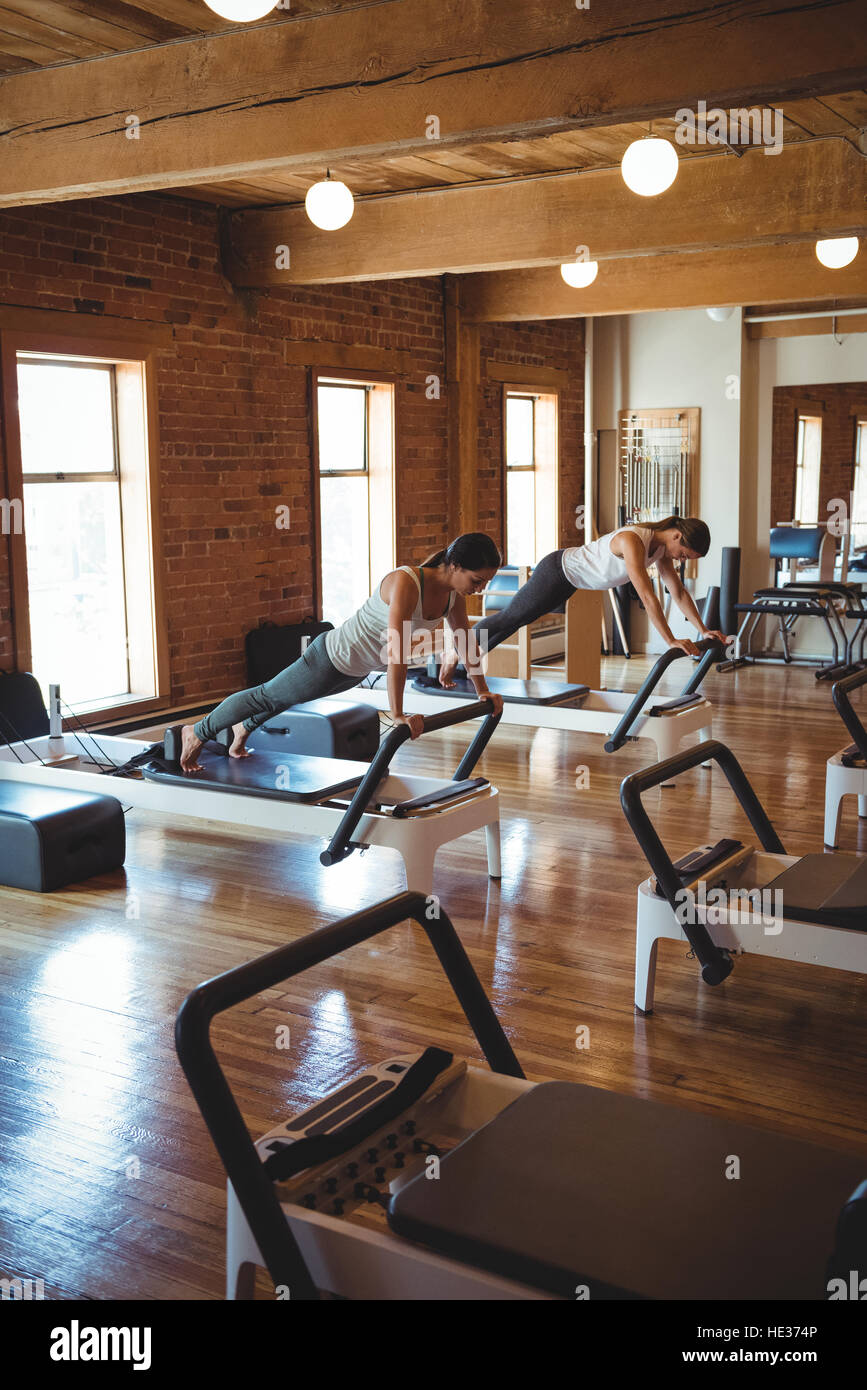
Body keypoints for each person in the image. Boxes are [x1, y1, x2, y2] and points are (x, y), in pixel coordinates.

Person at [180, 532, 505, 773]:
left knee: (287, 697)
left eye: (485, 583)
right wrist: (398, 714)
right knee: (266, 695)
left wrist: (483, 691)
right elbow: (397, 652)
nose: (480, 589)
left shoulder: (452, 597)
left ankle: (243, 728)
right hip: (329, 658)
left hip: (355, 670)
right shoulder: (407, 582)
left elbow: (465, 642)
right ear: (455, 565)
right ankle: (196, 732)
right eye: (477, 580)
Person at [439, 516, 727, 687]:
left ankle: (465, 663)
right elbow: (647, 595)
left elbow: (678, 592)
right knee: (510, 617)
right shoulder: (633, 540)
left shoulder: (661, 550)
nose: (681, 560)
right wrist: (670, 640)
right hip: (557, 571)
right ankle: (453, 654)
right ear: (677, 535)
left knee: (517, 621)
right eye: (684, 554)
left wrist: (702, 630)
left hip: (569, 582)